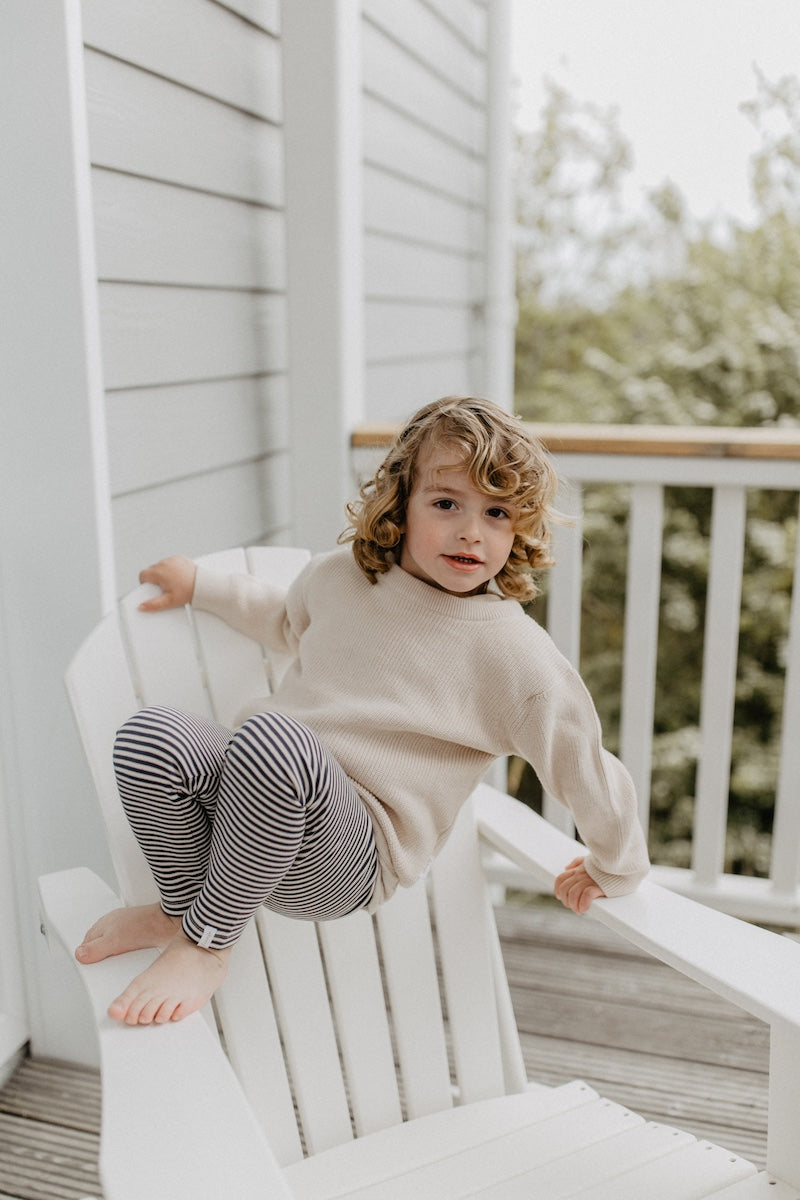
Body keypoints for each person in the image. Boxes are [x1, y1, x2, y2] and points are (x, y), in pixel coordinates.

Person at [76, 396, 650, 1026]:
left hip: (353, 850)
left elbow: (580, 758)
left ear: (519, 530)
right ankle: (179, 909)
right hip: (253, 805)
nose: (471, 531)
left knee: (272, 739)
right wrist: (204, 587)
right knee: (150, 737)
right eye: (446, 503)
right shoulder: (343, 579)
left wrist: (614, 862)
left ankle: (206, 944)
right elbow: (282, 620)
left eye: (497, 513)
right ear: (401, 504)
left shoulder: (511, 654)